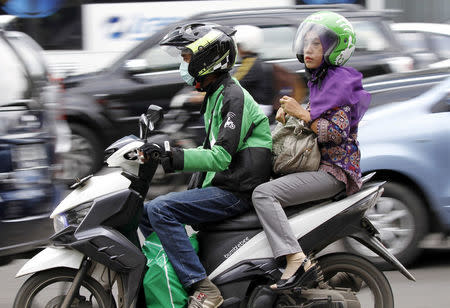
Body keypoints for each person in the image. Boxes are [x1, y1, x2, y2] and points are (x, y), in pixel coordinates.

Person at [139, 23, 272, 308]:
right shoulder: (216, 94)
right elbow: (210, 149)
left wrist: (173, 155)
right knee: (146, 211)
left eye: (187, 58)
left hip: (236, 190)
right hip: (225, 183)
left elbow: (221, 156)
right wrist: (165, 154)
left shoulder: (233, 97)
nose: (183, 64)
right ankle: (169, 274)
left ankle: (202, 286)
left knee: (162, 209)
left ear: (206, 59)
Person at [251, 11, 371, 291]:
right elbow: (313, 121)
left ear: (335, 48)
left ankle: (294, 259)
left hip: (333, 171)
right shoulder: (322, 79)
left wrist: (302, 114)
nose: (308, 49)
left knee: (264, 194)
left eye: (316, 44)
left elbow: (335, 132)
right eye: (306, 43)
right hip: (319, 167)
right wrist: (291, 115)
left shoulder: (339, 82)